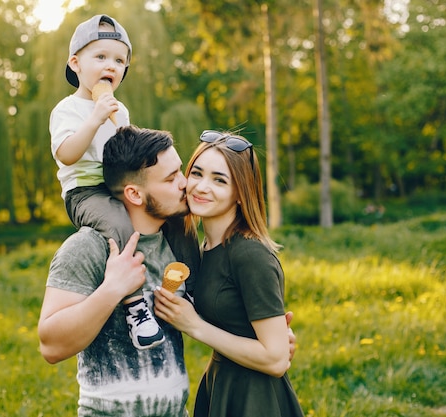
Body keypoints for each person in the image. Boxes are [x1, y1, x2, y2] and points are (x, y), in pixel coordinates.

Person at [38, 126, 201, 416]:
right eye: (171, 177)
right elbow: (51, 345)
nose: (184, 183)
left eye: (180, 171)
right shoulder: (88, 247)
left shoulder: (178, 245)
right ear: (134, 194)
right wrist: (112, 289)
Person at [154, 130, 305, 417]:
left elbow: (275, 360)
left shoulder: (249, 254)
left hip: (255, 399)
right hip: (222, 387)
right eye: (196, 173)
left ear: (240, 193)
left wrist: (194, 325)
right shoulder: (207, 247)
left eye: (219, 180)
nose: (201, 187)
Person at [49, 14, 164, 350]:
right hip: (85, 192)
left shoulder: (120, 110)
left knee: (168, 205)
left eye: (119, 60)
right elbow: (68, 154)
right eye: (100, 57)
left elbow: (125, 154)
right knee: (118, 221)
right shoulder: (67, 110)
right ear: (75, 63)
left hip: (115, 183)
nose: (110, 66)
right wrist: (96, 117)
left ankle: (188, 282)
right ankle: (135, 307)